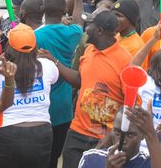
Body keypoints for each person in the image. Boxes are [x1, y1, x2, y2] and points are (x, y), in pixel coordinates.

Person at [48, 10, 132, 168]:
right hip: (77, 132)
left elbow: (130, 103)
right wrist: (55, 62)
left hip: (105, 137)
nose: (86, 28)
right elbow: (80, 80)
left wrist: (113, 136)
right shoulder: (89, 50)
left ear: (100, 30)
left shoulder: (124, 60)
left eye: (90, 24)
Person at [0, 24, 57, 168]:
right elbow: (54, 79)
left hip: (4, 134)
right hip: (41, 135)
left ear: (8, 46)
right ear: (35, 47)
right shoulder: (47, 66)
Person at [35, 0, 84, 168]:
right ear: (64, 11)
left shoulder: (34, 36)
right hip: (63, 107)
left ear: (42, 10)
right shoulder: (74, 33)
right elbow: (79, 20)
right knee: (54, 157)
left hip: (40, 106)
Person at [78, 106, 161, 168]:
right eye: (117, 132)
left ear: (142, 136)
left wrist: (151, 135)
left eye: (130, 135)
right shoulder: (92, 158)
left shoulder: (149, 163)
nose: (122, 141)